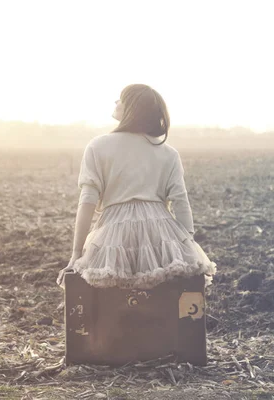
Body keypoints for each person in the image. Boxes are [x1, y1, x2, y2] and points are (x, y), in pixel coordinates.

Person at [57, 84, 216, 289]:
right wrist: (187, 245)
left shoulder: (98, 146)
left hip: (114, 232)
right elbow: (180, 202)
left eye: (121, 98)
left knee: (113, 298)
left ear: (132, 107)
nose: (116, 102)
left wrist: (76, 253)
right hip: (162, 233)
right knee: (163, 301)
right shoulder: (168, 152)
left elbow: (87, 201)